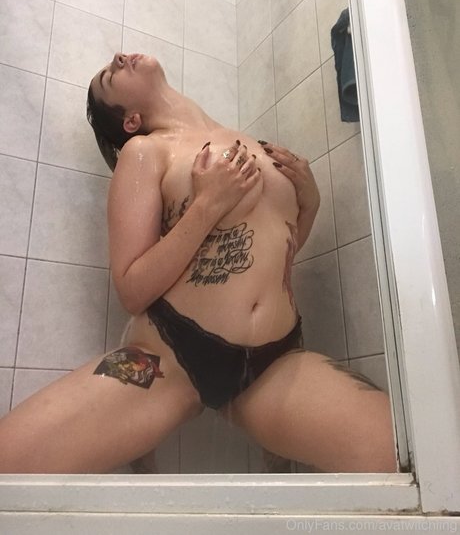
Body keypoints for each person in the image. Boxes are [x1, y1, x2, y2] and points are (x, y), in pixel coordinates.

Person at [0, 53, 397, 474]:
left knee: (407, 456)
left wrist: (310, 204)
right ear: (131, 120)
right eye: (109, 77)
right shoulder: (144, 151)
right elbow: (132, 289)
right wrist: (207, 206)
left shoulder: (251, 143)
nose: (118, 58)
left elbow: (273, 256)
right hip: (167, 357)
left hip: (273, 363)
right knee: (10, 463)